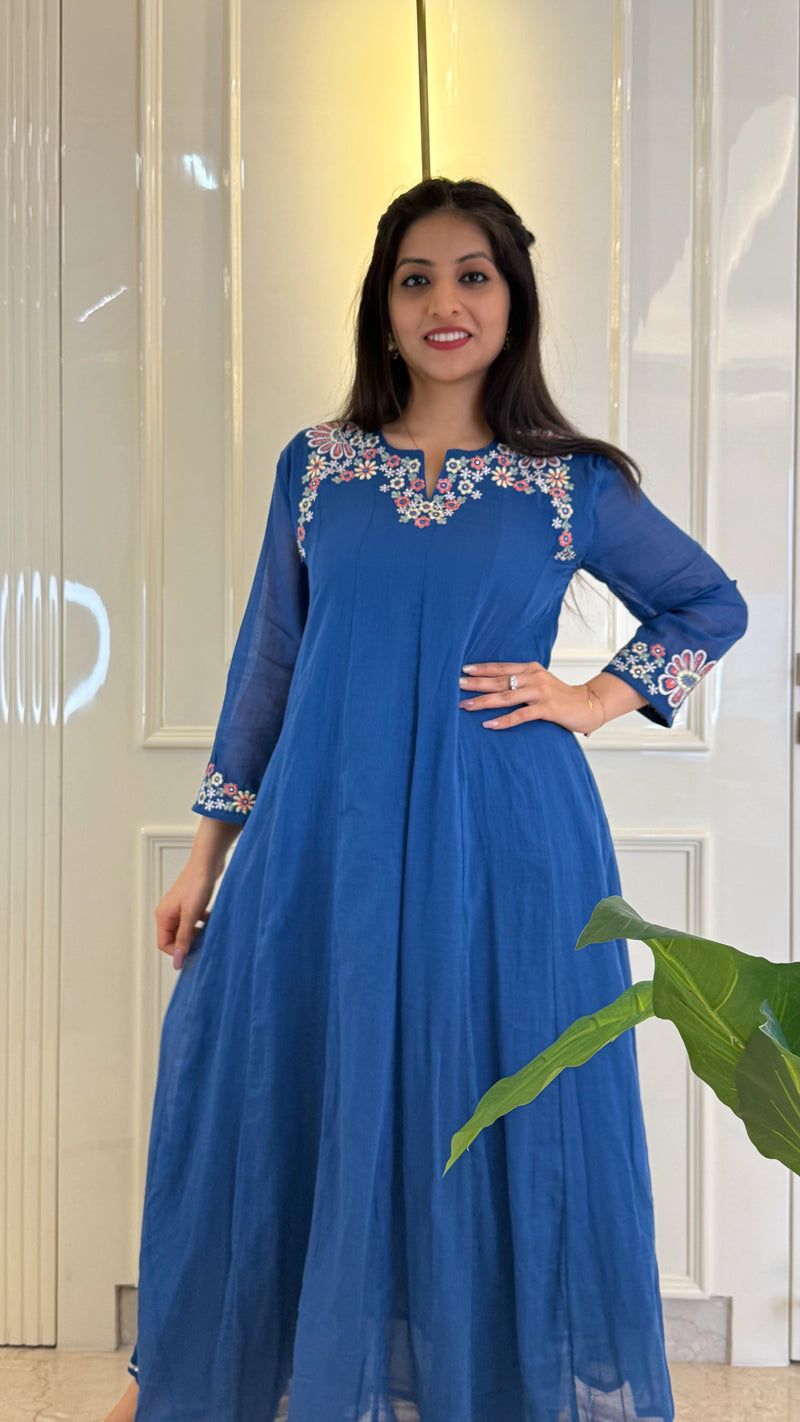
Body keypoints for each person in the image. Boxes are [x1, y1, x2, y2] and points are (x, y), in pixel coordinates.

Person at [106, 177, 747, 1422]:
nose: (444, 302)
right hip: (321, 839)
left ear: (512, 299)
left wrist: (592, 696)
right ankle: (199, 1379)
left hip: (505, 844)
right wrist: (205, 856)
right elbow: (268, 664)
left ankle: (485, 1391)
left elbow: (706, 602)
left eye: (471, 275)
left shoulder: (569, 483)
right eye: (416, 278)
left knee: (487, 1094)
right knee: (265, 1072)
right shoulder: (317, 466)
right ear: (383, 307)